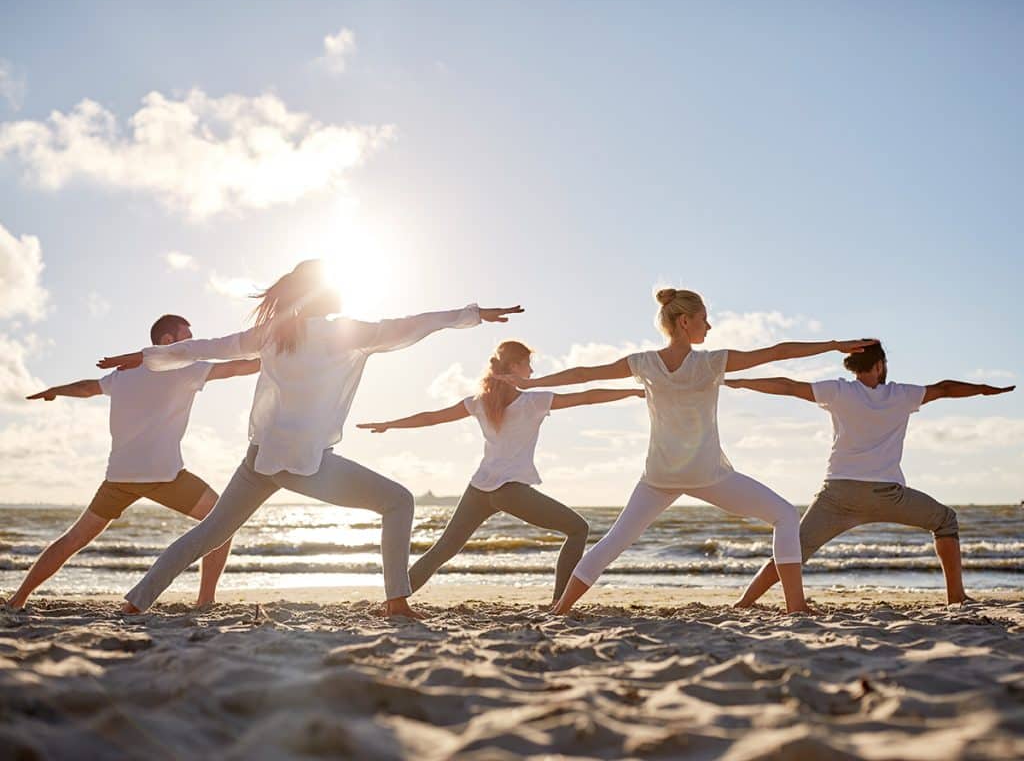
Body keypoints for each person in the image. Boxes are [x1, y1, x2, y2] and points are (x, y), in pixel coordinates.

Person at [98, 259, 522, 618]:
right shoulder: (345, 332)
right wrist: (472, 315)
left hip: (260, 457)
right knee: (399, 502)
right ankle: (397, 602)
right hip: (303, 462)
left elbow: (205, 348)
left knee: (209, 533)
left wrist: (144, 357)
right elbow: (411, 325)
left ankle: (135, 604)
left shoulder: (274, 334)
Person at [498, 287, 876, 615]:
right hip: (706, 473)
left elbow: (584, 373)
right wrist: (832, 345)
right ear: (684, 322)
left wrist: (532, 383)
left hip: (659, 475)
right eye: (704, 319)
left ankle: (561, 609)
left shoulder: (643, 362)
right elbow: (776, 351)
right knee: (783, 516)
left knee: (613, 542)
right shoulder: (711, 362)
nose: (708, 327)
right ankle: (796, 607)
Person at [727, 342, 1015, 607]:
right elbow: (946, 388)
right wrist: (984, 389)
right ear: (879, 365)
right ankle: (956, 597)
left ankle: (744, 602)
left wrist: (740, 383)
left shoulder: (838, 391)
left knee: (793, 550)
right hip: (887, 496)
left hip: (838, 495)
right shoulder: (902, 395)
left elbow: (787, 386)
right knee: (945, 521)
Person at [358, 340, 644, 603]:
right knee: (578, 529)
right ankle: (559, 606)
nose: (531, 370)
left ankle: (393, 603)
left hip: (479, 488)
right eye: (528, 364)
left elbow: (432, 418)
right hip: (510, 490)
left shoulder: (480, 402)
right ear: (514, 367)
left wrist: (389, 424)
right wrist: (633, 391)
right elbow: (587, 397)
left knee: (441, 551)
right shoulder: (533, 401)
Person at [5, 314, 259, 610]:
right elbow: (240, 367)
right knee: (222, 522)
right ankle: (205, 600)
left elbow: (87, 388)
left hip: (120, 478)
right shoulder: (186, 370)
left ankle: (17, 599)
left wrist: (55, 391)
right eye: (187, 339)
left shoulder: (124, 374)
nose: (192, 346)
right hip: (165, 477)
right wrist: (285, 353)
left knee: (73, 539)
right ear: (167, 341)